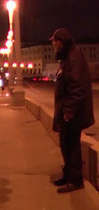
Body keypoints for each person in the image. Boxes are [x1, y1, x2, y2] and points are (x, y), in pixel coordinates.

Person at [50, 28, 95, 193]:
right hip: (68, 112)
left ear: (60, 42)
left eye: (54, 42)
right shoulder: (67, 58)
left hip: (73, 114)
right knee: (65, 144)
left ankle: (76, 181)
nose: (53, 45)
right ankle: (69, 175)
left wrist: (68, 111)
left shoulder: (74, 58)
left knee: (71, 145)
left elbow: (78, 88)